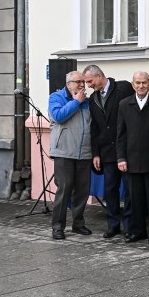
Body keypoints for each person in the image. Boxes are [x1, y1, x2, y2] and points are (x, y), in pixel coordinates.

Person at [83, 64, 134, 238]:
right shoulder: (93, 100)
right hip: (106, 152)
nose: (89, 85)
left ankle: (129, 225)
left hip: (126, 150)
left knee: (129, 190)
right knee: (110, 189)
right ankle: (113, 224)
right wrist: (95, 153)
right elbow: (94, 129)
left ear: (99, 76)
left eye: (90, 81)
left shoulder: (123, 88)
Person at [117, 71, 149, 244]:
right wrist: (121, 158)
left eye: (144, 83)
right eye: (137, 83)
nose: (141, 86)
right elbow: (120, 134)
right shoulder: (124, 104)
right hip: (131, 160)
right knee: (135, 199)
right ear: (132, 85)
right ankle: (137, 231)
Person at [48, 71, 93, 240]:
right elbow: (58, 116)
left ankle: (78, 224)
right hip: (64, 151)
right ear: (68, 84)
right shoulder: (56, 97)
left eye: (83, 81)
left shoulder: (87, 101)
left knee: (82, 190)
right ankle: (58, 227)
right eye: (78, 81)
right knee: (64, 189)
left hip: (84, 152)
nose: (82, 84)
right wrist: (75, 102)